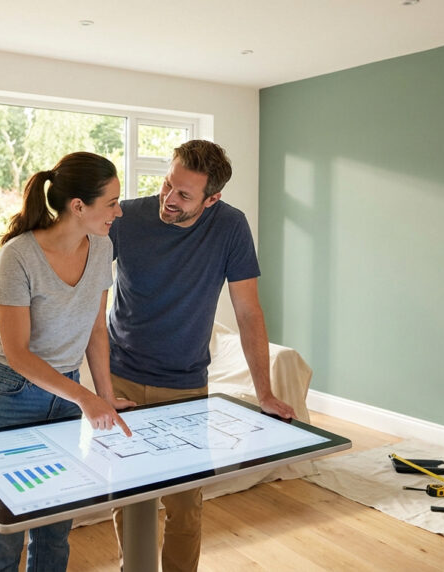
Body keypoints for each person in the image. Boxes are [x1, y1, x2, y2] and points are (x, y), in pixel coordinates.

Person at [107, 139, 297, 571]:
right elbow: (84, 289)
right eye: (167, 184)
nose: (168, 199)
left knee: (186, 504)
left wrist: (264, 393)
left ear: (213, 199)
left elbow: (248, 311)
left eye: (184, 195)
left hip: (186, 382)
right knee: (129, 495)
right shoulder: (126, 218)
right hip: (123, 377)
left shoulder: (230, 227)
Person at [0, 151, 135, 572]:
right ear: (78, 206)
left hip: (63, 394)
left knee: (55, 525)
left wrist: (106, 396)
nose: (119, 211)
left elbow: (97, 329)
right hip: (9, 395)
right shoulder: (18, 256)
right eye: (112, 203)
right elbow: (19, 353)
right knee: (6, 526)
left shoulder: (101, 248)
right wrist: (85, 398)